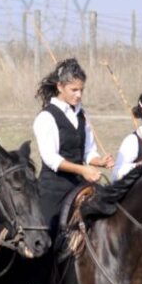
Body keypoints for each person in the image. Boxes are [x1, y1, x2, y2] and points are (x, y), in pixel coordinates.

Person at [32, 58, 114, 225]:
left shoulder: (83, 115)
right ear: (60, 87)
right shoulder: (46, 117)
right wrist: (82, 169)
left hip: (80, 185)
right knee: (47, 233)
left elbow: (89, 151)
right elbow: (51, 158)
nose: (79, 95)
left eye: (81, 90)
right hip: (54, 187)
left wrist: (99, 161)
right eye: (74, 90)